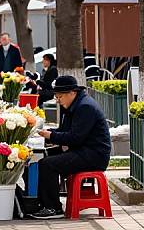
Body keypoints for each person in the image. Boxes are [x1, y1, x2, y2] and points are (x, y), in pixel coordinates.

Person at [30, 75, 111, 220]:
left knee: (48, 164)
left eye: (60, 96)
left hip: (93, 155)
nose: (58, 100)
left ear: (72, 93)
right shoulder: (73, 105)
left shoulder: (85, 107)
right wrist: (45, 134)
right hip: (82, 149)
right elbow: (64, 131)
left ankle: (53, 208)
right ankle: (41, 202)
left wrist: (50, 136)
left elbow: (75, 138)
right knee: (42, 156)